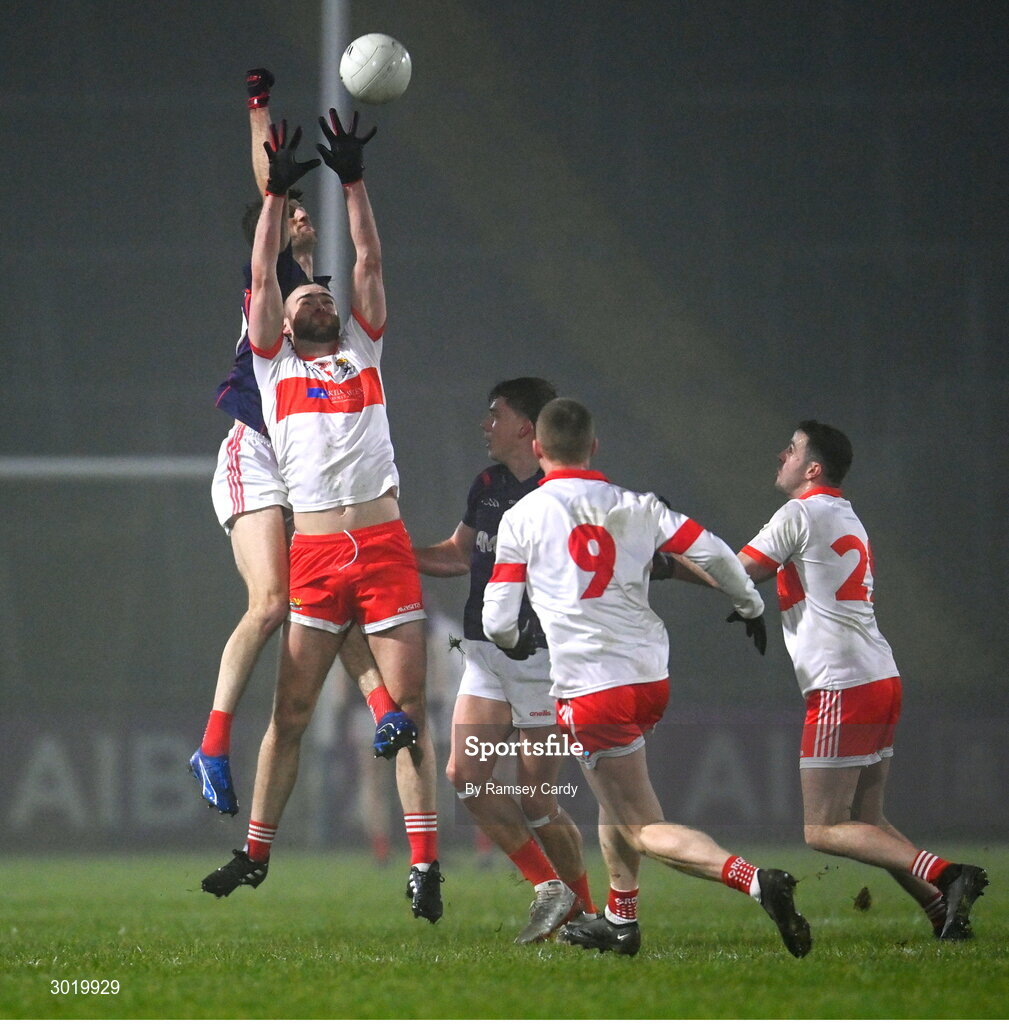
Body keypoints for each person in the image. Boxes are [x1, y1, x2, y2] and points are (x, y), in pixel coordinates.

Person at [200, 108, 442, 922]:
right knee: (291, 713)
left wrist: (354, 181)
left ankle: (424, 863)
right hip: (313, 555)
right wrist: (274, 193)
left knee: (404, 717)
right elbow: (266, 263)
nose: (310, 296)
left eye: (315, 293)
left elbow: (368, 255)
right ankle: (256, 852)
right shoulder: (271, 366)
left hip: (380, 547)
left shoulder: (364, 344)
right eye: (295, 292)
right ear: (279, 310)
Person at [483, 398, 811, 958]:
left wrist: (517, 643)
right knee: (615, 798)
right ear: (594, 447)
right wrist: (750, 606)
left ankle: (757, 881)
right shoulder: (638, 505)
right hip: (648, 681)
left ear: (537, 449)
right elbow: (715, 554)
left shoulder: (521, 517)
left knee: (642, 826)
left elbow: (497, 621)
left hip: (592, 688)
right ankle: (621, 919)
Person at [737, 421, 988, 941]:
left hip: (840, 683)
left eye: (793, 448)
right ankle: (942, 911)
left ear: (813, 468)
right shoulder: (845, 514)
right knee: (867, 821)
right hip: (879, 675)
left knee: (823, 829)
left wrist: (664, 560)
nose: (780, 453)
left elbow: (738, 570)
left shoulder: (799, 512)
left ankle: (947, 874)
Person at [414, 378, 598, 943]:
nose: (485, 424)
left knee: (537, 796)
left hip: (543, 661)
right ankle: (550, 889)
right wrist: (384, 551)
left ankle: (590, 917)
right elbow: (458, 555)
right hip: (484, 656)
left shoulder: (562, 490)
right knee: (466, 778)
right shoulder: (488, 484)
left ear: (526, 426)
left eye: (495, 414)